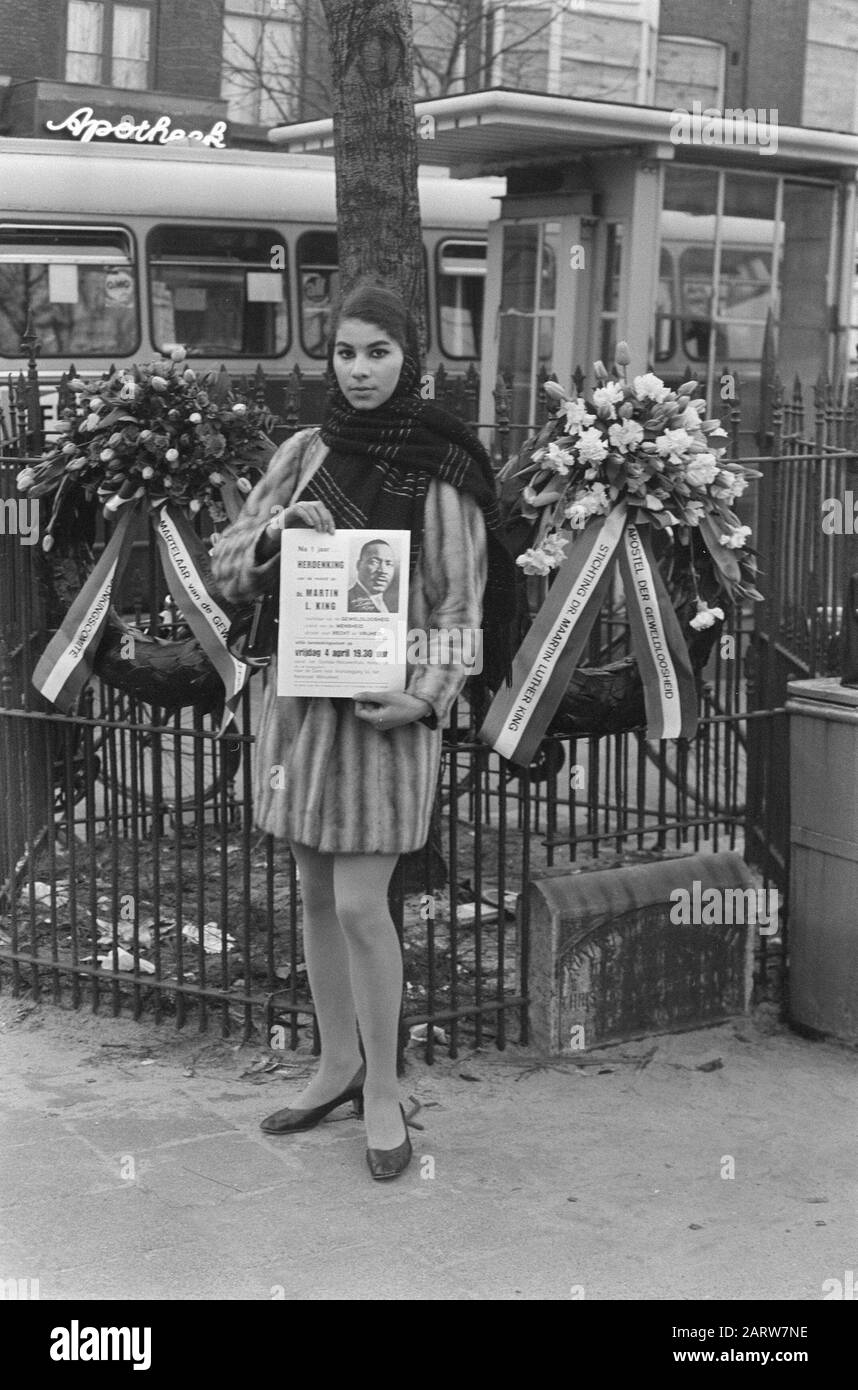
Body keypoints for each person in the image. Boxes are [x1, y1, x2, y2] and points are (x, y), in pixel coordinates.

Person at [211, 282, 516, 1180]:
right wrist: (277, 532)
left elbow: (461, 603)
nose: (360, 369)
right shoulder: (306, 450)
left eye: (377, 352)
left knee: (359, 905)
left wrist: (428, 696)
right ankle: (335, 1064)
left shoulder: (441, 462)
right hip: (301, 707)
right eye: (346, 352)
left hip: (386, 718)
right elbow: (228, 560)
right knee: (312, 896)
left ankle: (384, 1086)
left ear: (408, 357)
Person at [347, 538, 396, 612]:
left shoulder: (393, 603)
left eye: (388, 563)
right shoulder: (347, 601)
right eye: (374, 562)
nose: (383, 570)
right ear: (358, 565)